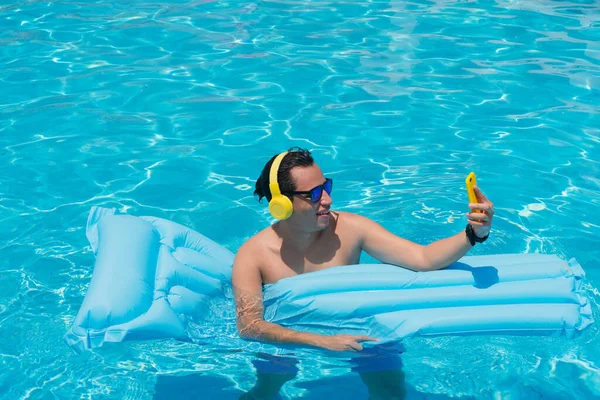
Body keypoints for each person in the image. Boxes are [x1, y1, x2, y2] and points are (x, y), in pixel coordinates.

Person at [233, 148, 494, 399]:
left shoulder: (350, 229)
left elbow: (422, 258)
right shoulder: (253, 255)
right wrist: (322, 341)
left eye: (326, 187)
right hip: (286, 339)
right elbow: (250, 326)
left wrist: (473, 234)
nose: (327, 199)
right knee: (264, 394)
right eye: (313, 194)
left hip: (356, 330)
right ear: (282, 204)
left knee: (391, 395)